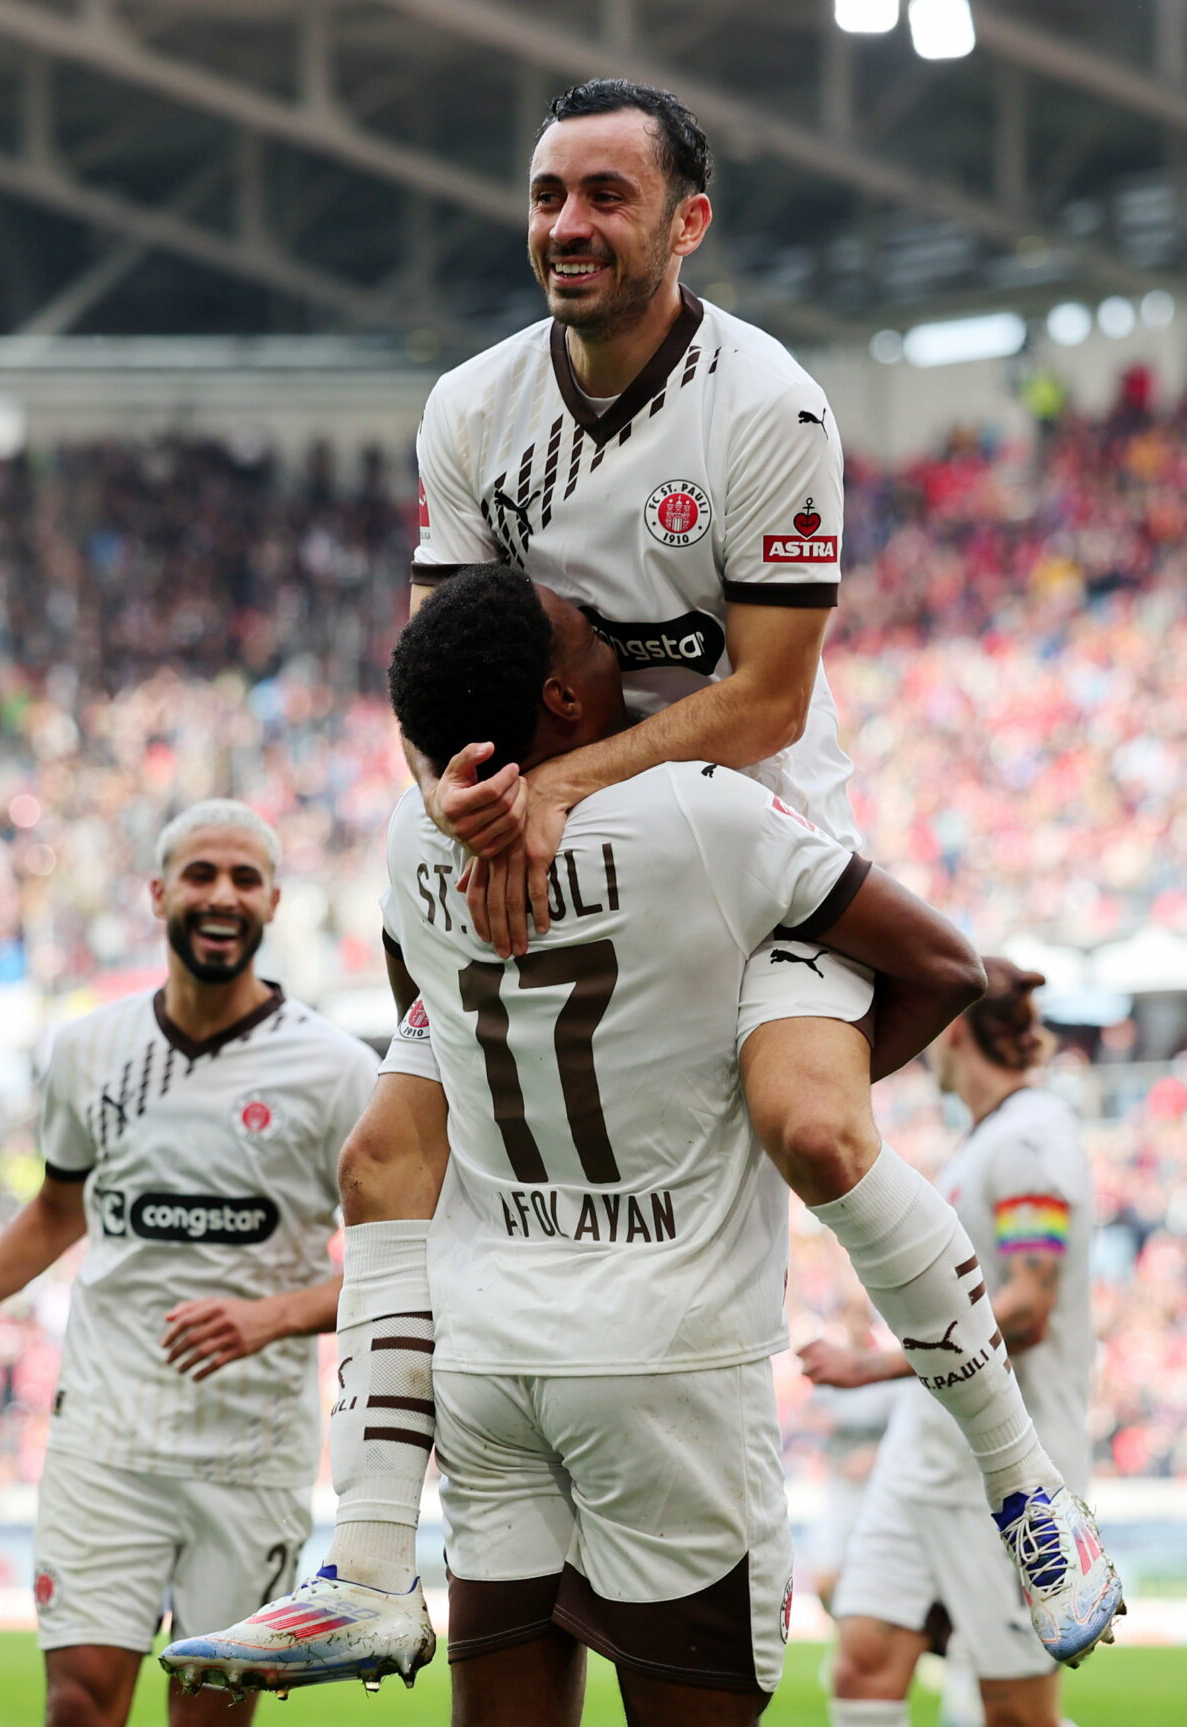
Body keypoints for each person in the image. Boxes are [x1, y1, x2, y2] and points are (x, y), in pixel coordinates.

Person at [163, 571, 1120, 1718]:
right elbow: (949, 965)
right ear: (565, 701)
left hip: (489, 1362)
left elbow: (424, 1003)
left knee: (377, 1159)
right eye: (587, 629)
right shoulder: (703, 812)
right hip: (668, 1362)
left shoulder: (410, 842)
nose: (612, 619)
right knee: (822, 1134)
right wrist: (752, 1079)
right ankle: (1027, 1489)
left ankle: (367, 1558)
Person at [404, 63, 1078, 1621]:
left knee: (819, 1132)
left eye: (607, 195)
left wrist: (578, 786)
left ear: (688, 221)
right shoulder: (472, 409)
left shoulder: (766, 405)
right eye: (548, 195)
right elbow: (440, 661)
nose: (568, 225)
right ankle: (365, 1552)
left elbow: (769, 697)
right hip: (550, 824)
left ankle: (1025, 1478)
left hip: (749, 822)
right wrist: (463, 786)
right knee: (390, 1140)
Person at [0, 800, 376, 1727]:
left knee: (210, 1713)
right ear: (158, 894)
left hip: (249, 1448)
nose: (221, 895)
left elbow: (401, 1264)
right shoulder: (88, 1049)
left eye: (244, 878)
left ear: (272, 901)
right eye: (200, 875)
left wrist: (271, 1315)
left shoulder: (338, 1070)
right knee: (78, 1702)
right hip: (106, 1436)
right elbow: (56, 1210)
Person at [799, 965, 1095, 1727]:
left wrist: (876, 1364)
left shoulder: (1032, 1137)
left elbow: (1029, 1306)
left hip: (1001, 1469)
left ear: (953, 1025)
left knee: (1015, 1709)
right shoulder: (989, 1141)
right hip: (924, 1450)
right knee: (862, 1661)